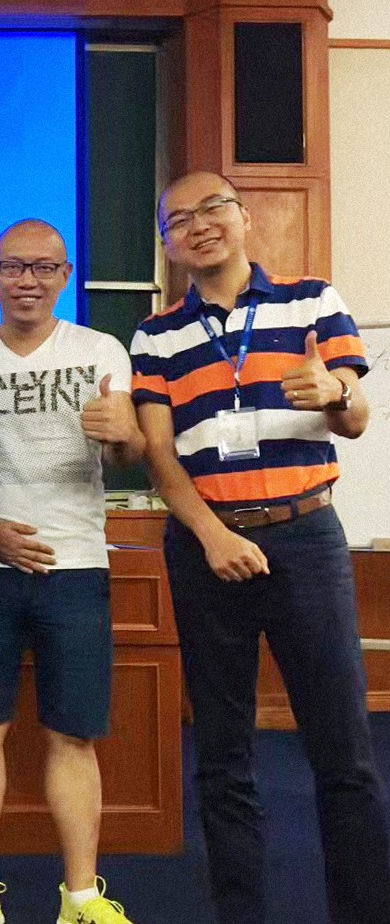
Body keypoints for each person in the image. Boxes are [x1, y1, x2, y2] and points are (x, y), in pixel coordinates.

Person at [131, 171, 390, 924]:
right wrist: (211, 535)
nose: (199, 225)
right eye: (179, 219)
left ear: (243, 217)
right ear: (169, 244)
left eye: (213, 208)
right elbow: (159, 454)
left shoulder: (313, 301)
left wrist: (335, 392)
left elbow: (355, 419)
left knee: (345, 752)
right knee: (223, 756)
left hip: (306, 537)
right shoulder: (156, 335)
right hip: (204, 548)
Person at [0, 220, 142, 924]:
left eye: (45, 268)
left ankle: (80, 895)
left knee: (72, 735)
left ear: (65, 275)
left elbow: (125, 456)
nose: (29, 280)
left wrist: (125, 437)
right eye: (15, 267)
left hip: (76, 566)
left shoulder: (100, 349)